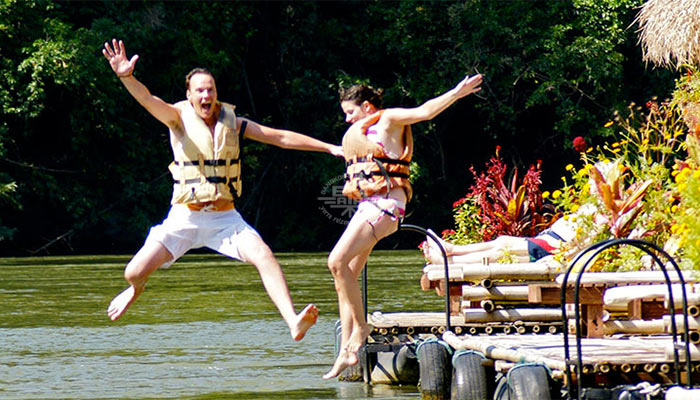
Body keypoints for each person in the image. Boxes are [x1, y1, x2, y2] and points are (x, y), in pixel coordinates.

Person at [102, 39, 343, 341]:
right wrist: (126, 76)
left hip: (225, 218)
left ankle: (293, 320)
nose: (206, 95)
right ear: (189, 96)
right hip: (184, 218)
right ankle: (135, 290)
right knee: (133, 273)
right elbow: (146, 99)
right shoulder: (176, 118)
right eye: (200, 90)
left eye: (211, 89)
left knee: (264, 255)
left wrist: (330, 148)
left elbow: (280, 137)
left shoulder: (234, 123)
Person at [323, 74, 483, 379]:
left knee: (336, 262)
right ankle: (347, 350)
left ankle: (361, 328)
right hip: (367, 206)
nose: (347, 119)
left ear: (367, 106)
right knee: (345, 276)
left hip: (385, 207)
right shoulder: (364, 131)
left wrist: (456, 92)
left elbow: (425, 111)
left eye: (350, 112)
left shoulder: (388, 120)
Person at [422, 216, 578, 265]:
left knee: (502, 252)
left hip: (555, 248)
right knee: (502, 241)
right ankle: (452, 250)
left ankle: (449, 262)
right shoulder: (592, 206)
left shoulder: (600, 215)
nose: (590, 183)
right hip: (548, 240)